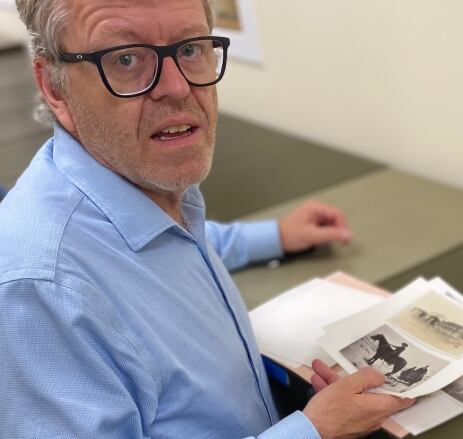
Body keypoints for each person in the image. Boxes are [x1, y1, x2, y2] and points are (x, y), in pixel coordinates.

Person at [0, 0, 414, 438]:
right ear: (55, 87)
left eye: (191, 48)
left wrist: (274, 236)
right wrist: (314, 431)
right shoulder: (41, 291)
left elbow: (157, 255)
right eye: (125, 59)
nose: (177, 87)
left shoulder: (137, 189)